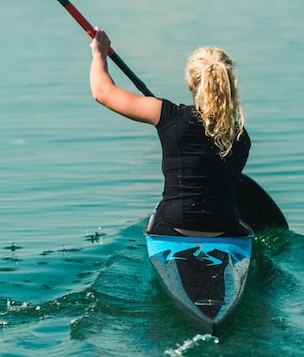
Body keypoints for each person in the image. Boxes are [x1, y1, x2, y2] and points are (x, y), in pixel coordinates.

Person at [90, 28, 251, 238]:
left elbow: (102, 93)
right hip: (227, 232)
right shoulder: (241, 136)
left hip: (173, 230)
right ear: (229, 84)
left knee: (160, 211)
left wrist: (99, 55)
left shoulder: (169, 117)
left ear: (191, 85)